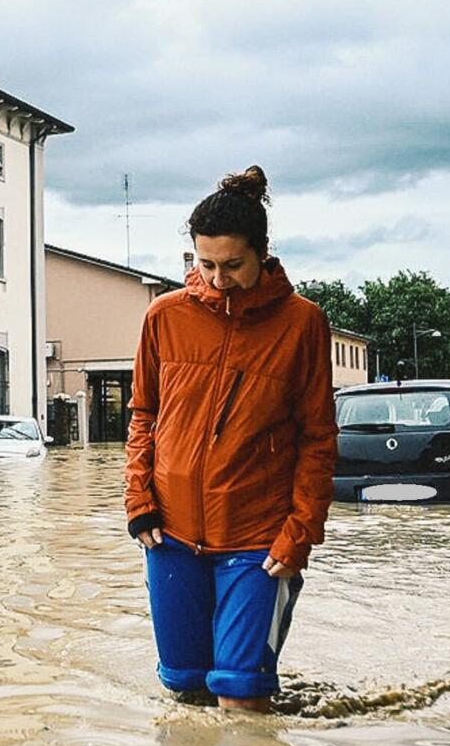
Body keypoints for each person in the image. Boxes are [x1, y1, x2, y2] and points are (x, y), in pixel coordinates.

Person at [125, 165, 338, 712]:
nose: (218, 279)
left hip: (259, 542)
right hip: (169, 536)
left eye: (233, 265)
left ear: (263, 253)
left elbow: (317, 439)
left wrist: (300, 534)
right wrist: (139, 502)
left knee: (241, 701)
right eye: (205, 264)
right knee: (184, 692)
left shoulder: (303, 324)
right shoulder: (163, 317)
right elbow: (143, 416)